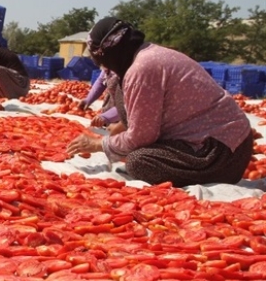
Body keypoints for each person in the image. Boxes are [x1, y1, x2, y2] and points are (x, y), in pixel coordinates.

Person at [66, 17, 252, 187]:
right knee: (133, 142)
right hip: (229, 142)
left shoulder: (141, 69)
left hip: (220, 153)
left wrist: (98, 144)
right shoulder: (146, 55)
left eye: (99, 58)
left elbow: (142, 137)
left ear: (108, 52)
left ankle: (210, 175)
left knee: (139, 162)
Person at [78, 66, 127, 135]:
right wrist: (88, 99)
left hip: (126, 119)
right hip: (113, 108)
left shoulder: (130, 71)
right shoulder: (109, 65)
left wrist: (107, 116)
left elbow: (129, 105)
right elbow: (101, 81)